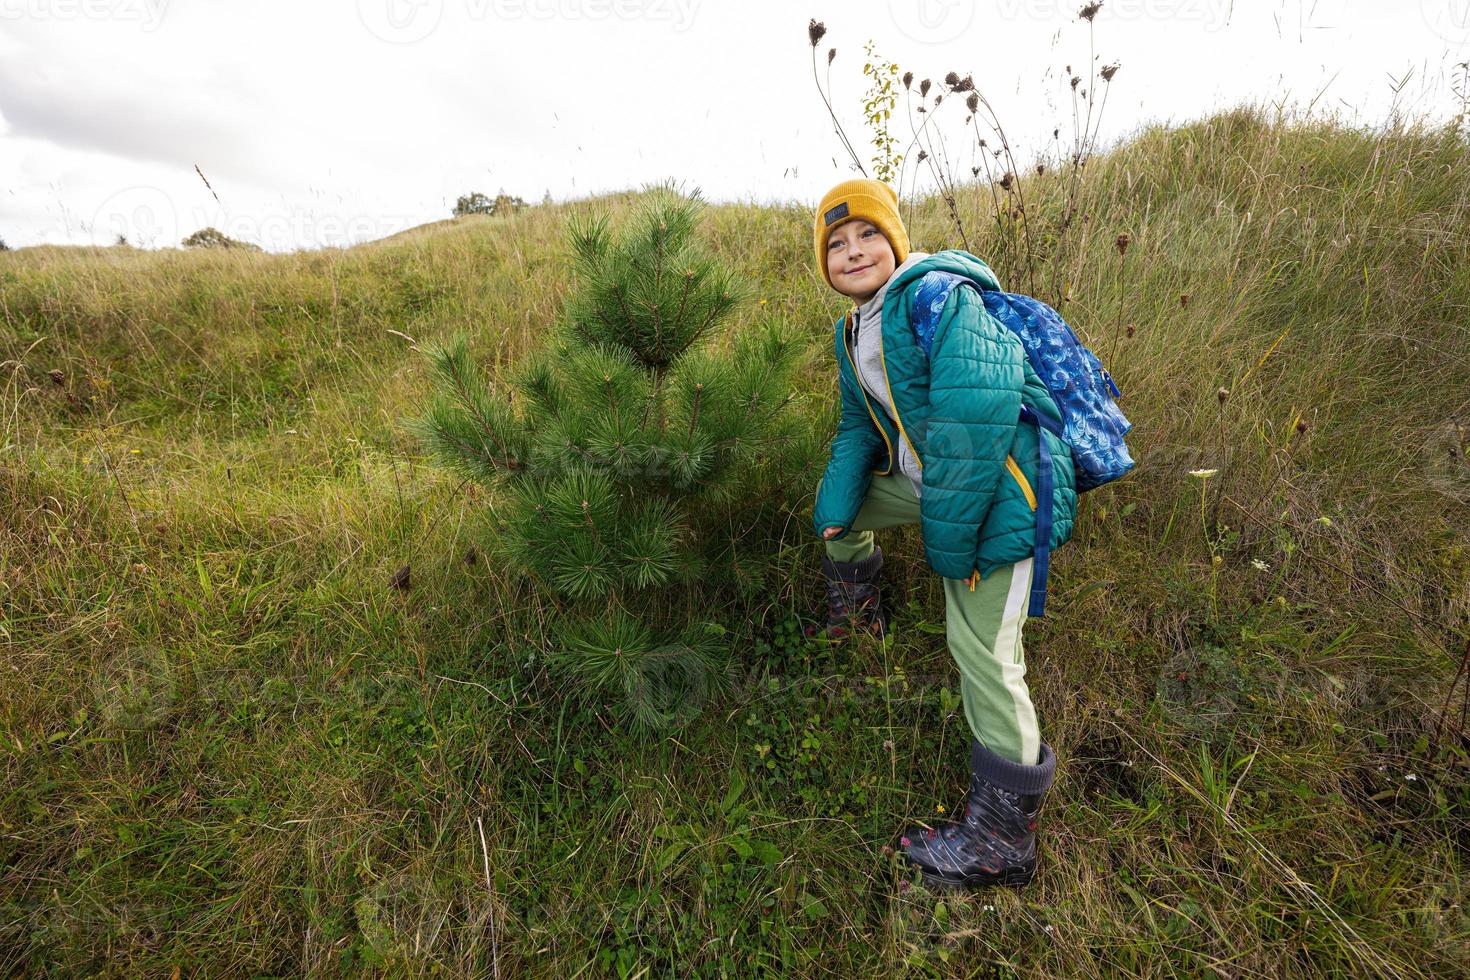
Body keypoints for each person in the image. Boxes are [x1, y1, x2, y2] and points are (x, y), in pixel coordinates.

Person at [807, 178, 1077, 891]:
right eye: (836, 243)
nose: (853, 250)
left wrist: (949, 546)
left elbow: (976, 413)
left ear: (895, 240)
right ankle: (859, 614)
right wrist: (836, 507)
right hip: (938, 489)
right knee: (849, 509)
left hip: (1002, 491)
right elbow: (854, 429)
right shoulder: (854, 330)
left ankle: (1001, 842)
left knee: (982, 650)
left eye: (867, 233)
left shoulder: (936, 296)